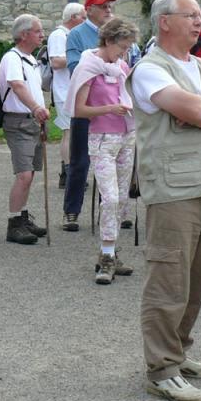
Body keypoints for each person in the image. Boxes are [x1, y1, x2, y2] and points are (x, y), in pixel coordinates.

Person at [128, 0, 201, 401]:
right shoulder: (149, 69)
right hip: (173, 188)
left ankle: (177, 353)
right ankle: (161, 368)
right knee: (168, 278)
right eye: (191, 15)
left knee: (196, 279)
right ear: (164, 21)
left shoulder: (200, 66)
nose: (200, 22)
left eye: (200, 15)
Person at [67, 17, 139, 284]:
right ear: (108, 40)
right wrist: (110, 109)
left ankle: (109, 250)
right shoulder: (89, 67)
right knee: (109, 198)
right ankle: (106, 259)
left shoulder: (120, 67)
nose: (125, 52)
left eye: (129, 46)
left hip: (126, 135)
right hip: (102, 137)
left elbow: (132, 93)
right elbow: (79, 110)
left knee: (121, 200)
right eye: (123, 45)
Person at [63, 0, 117, 232]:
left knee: (114, 162)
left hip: (111, 107)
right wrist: (107, 68)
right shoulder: (76, 34)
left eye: (109, 6)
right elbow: (76, 67)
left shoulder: (116, 33)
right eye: (102, 6)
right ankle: (71, 212)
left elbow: (125, 64)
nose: (108, 10)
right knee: (80, 161)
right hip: (86, 106)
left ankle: (114, 209)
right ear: (89, 10)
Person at [0, 14, 50, 245]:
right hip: (19, 121)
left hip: (32, 120)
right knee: (24, 174)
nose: (42, 35)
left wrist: (39, 115)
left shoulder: (30, 60)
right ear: (23, 34)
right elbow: (17, 86)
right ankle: (14, 224)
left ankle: (23, 216)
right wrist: (37, 108)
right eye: (38, 31)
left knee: (29, 173)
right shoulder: (13, 58)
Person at [47, 3, 85, 189]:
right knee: (68, 132)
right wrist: (83, 57)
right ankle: (68, 172)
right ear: (73, 18)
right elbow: (55, 61)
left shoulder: (71, 35)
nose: (85, 21)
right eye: (83, 18)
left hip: (73, 90)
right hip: (64, 91)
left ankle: (72, 170)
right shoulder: (58, 35)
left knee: (75, 132)